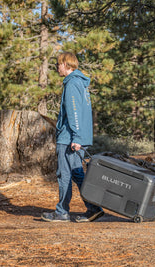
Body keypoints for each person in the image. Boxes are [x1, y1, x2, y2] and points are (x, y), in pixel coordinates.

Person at [41, 52, 104, 223]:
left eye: (59, 64)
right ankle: (93, 208)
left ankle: (61, 212)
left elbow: (74, 112)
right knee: (77, 173)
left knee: (64, 174)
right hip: (77, 137)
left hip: (69, 139)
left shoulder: (72, 84)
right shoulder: (80, 83)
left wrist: (76, 137)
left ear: (67, 65)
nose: (57, 67)